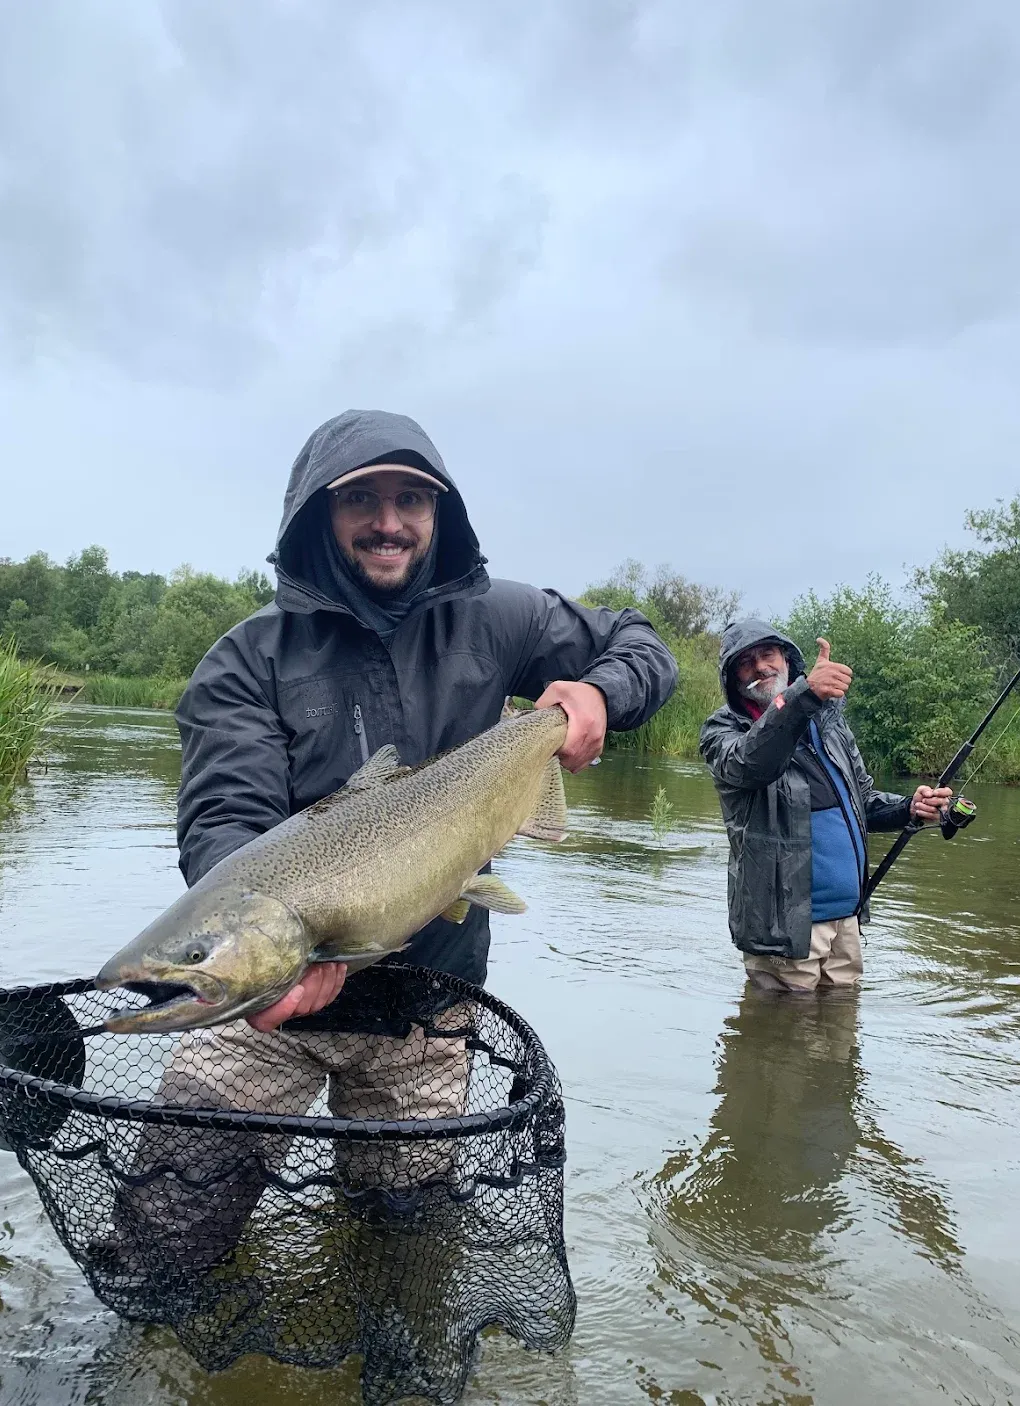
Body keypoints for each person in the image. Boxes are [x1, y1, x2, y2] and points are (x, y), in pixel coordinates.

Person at [94, 409, 677, 1282]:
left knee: (401, 1256)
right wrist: (257, 967)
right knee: (164, 1229)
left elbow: (641, 644)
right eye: (360, 499)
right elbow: (226, 821)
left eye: (411, 499)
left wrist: (596, 696)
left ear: (439, 514)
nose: (389, 521)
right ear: (317, 518)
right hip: (265, 1019)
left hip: (427, 1006)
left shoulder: (499, 620)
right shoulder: (246, 661)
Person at [699, 619, 957, 992]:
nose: (760, 667)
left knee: (842, 1038)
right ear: (732, 678)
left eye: (768, 654)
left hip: (846, 921)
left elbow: (862, 802)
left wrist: (909, 808)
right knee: (781, 1042)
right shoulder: (723, 732)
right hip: (784, 928)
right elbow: (752, 764)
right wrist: (802, 696)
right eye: (746, 662)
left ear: (786, 658)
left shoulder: (829, 723)